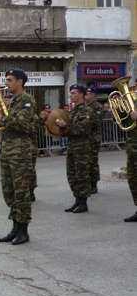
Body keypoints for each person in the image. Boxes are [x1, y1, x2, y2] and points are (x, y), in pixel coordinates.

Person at [0, 69, 38, 245]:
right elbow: (6, 123)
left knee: (21, 192)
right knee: (9, 191)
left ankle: (23, 230)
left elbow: (23, 124)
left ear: (20, 82)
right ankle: (15, 227)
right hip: (8, 150)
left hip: (21, 151)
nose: (6, 83)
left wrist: (2, 119)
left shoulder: (27, 100)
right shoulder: (11, 102)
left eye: (9, 80)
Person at [54, 85, 94, 214]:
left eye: (74, 93)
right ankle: (77, 200)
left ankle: (83, 203)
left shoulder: (86, 110)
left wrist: (66, 126)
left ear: (81, 94)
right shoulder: (73, 111)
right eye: (70, 93)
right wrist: (60, 127)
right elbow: (68, 131)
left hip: (82, 147)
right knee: (72, 174)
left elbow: (83, 129)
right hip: (72, 146)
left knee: (82, 175)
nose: (71, 95)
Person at [86, 86, 103, 194]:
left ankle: (94, 184)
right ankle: (89, 183)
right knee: (87, 162)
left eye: (88, 93)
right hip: (87, 138)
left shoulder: (97, 106)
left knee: (93, 162)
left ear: (93, 95)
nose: (86, 95)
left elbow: (96, 121)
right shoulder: (86, 106)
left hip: (94, 138)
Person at [124, 109, 137, 222]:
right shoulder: (132, 102)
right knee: (132, 179)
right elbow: (123, 123)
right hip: (132, 149)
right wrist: (119, 111)